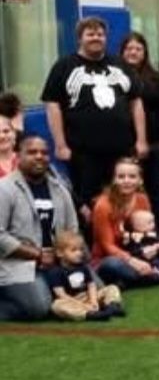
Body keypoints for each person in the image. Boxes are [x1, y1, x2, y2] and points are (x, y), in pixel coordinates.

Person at [41, 17, 148, 220]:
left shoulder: (120, 65)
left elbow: (136, 102)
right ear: (79, 38)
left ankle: (125, 236)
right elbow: (52, 106)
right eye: (90, 34)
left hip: (121, 148)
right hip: (83, 152)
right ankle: (91, 239)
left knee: (125, 198)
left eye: (100, 34)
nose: (96, 38)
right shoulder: (64, 66)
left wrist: (141, 140)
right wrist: (60, 145)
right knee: (88, 205)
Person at [0, 136, 79, 321]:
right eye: (32, 152)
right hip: (16, 265)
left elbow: (72, 228)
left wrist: (64, 254)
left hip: (57, 262)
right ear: (18, 155)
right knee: (39, 307)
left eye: (44, 153)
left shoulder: (60, 189)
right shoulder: (4, 189)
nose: (39, 157)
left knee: (93, 287)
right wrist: (37, 255)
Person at [119, 32, 159, 244]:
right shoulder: (114, 78)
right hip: (124, 147)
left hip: (154, 145)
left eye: (138, 49)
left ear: (145, 53)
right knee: (125, 195)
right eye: (129, 49)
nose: (133, 52)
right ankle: (130, 238)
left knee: (158, 194)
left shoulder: (157, 79)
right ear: (122, 52)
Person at [92, 158, 159, 288]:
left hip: (142, 253)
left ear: (140, 180)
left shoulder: (142, 199)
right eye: (121, 177)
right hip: (114, 258)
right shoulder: (103, 205)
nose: (126, 181)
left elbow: (150, 232)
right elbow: (107, 246)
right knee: (112, 265)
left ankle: (135, 280)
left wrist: (155, 247)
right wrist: (132, 261)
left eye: (132, 176)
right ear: (114, 180)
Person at [46, 231, 124, 321]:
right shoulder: (55, 271)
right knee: (57, 306)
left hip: (87, 296)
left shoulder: (83, 267)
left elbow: (91, 285)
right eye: (74, 250)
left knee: (112, 288)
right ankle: (89, 314)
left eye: (80, 250)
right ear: (60, 253)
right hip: (71, 301)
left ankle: (112, 306)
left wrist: (93, 301)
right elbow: (61, 295)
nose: (79, 253)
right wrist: (83, 306)